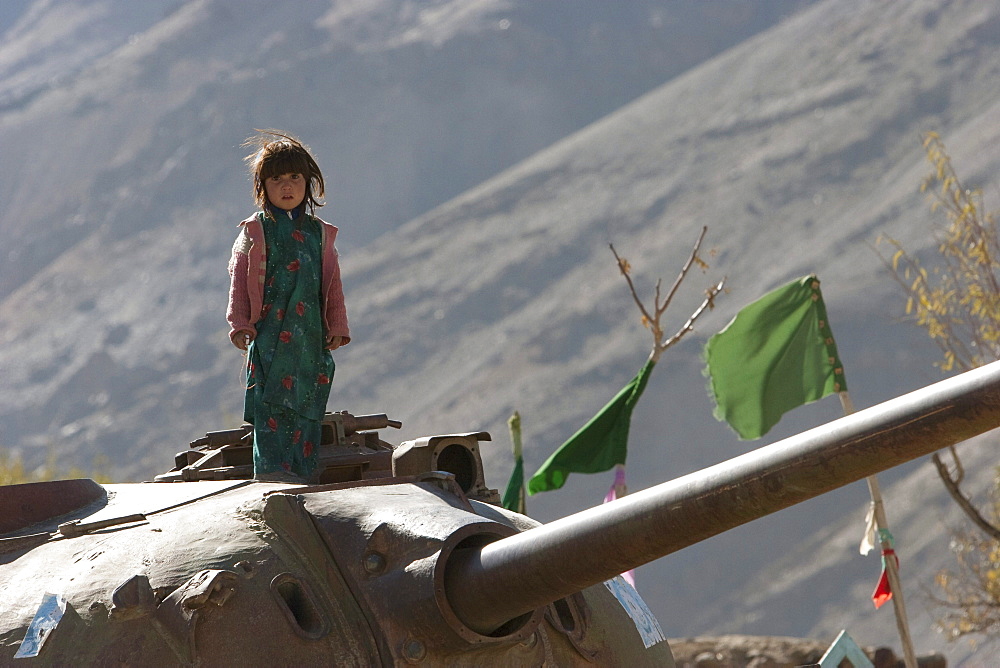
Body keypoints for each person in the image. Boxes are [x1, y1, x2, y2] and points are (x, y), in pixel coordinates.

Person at [227, 130, 350, 482]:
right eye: (277, 178)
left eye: (295, 177)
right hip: (269, 339)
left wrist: (337, 326)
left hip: (309, 340)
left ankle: (304, 479)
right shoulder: (255, 231)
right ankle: (272, 482)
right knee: (270, 409)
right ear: (262, 186)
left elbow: (333, 284)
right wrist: (240, 324)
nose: (287, 186)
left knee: (308, 407)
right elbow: (239, 278)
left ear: (308, 182)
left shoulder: (320, 234)